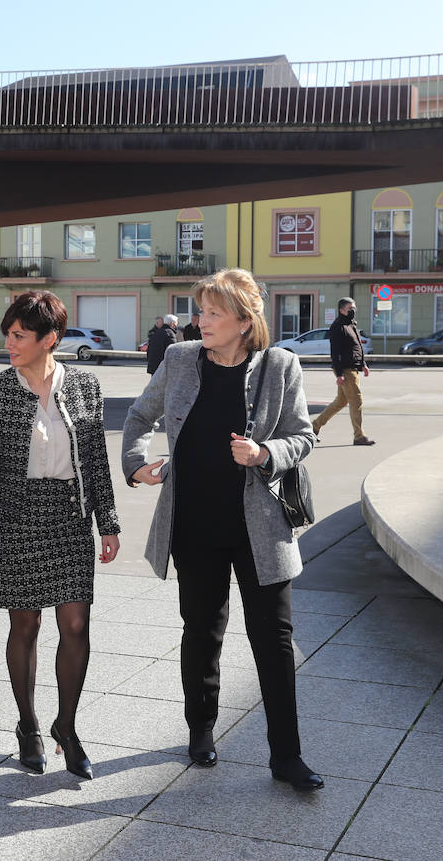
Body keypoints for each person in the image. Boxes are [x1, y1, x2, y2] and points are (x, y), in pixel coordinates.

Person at [121, 267, 323, 792]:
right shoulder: (180, 359)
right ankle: (201, 731)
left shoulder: (281, 366)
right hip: (194, 523)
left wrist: (264, 453)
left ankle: (287, 756)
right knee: (202, 631)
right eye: (201, 311)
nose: (201, 321)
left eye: (213, 313)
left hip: (260, 528)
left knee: (274, 640)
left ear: (242, 320)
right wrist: (136, 463)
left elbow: (303, 437)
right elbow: (139, 416)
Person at [0, 291, 120, 779]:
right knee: (26, 626)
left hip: (68, 518)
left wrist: (108, 523)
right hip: (14, 520)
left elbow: (95, 459)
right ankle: (29, 725)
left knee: (76, 624)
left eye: (19, 335)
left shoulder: (84, 385)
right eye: (8, 334)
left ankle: (68, 727)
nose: (8, 342)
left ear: (48, 339)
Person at [310, 297, 374, 446]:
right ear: (341, 310)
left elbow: (356, 347)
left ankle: (314, 426)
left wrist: (363, 364)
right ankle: (359, 436)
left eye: (354, 307)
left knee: (341, 401)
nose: (353, 311)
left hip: (353, 368)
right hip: (345, 369)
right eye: (350, 308)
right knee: (356, 401)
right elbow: (335, 352)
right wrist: (339, 374)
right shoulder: (337, 327)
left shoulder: (351, 325)